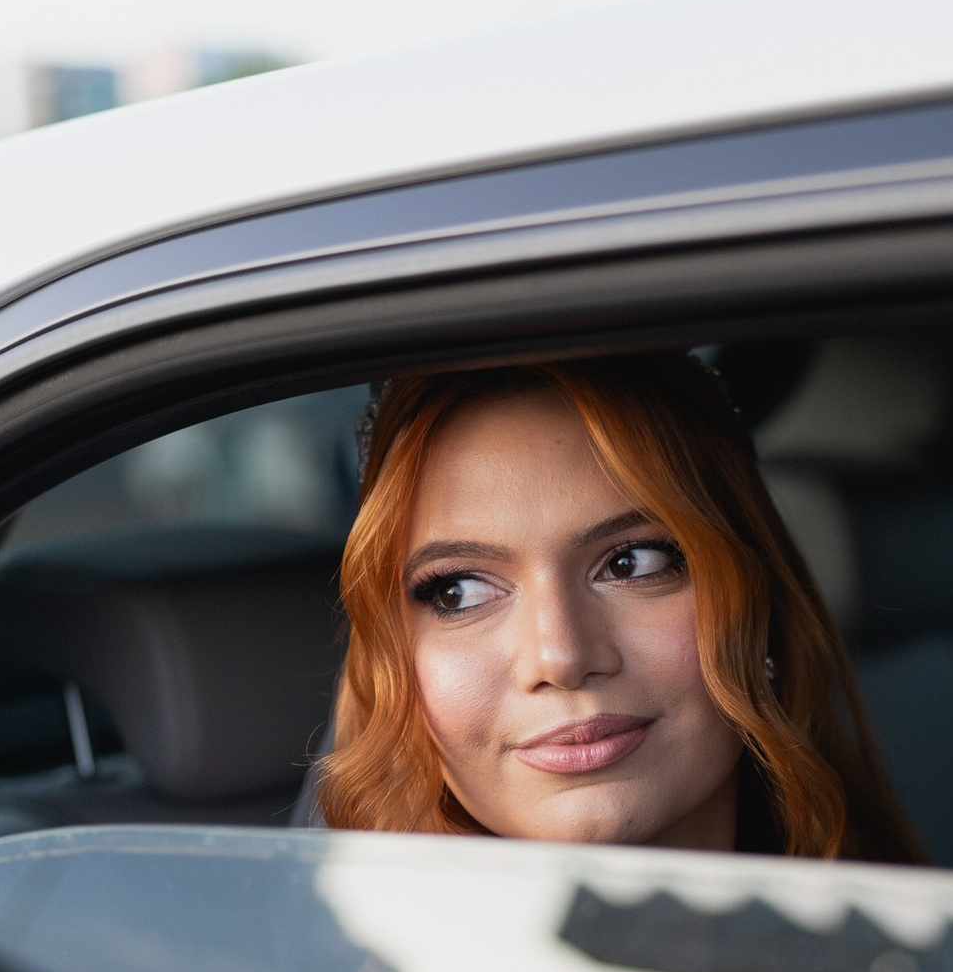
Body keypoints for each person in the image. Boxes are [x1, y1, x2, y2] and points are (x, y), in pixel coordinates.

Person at [315, 353, 920, 860]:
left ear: (754, 595)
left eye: (631, 563)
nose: (560, 656)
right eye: (459, 592)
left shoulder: (933, 952)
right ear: (392, 655)